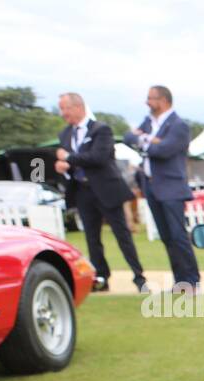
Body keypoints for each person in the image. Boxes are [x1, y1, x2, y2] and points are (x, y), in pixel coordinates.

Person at [55, 92, 147, 293]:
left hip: (106, 189)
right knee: (92, 238)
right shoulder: (64, 134)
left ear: (78, 107)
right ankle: (101, 278)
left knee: (122, 234)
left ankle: (139, 277)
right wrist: (64, 166)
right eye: (61, 109)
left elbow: (98, 158)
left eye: (66, 108)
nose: (63, 113)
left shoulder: (100, 129)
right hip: (83, 192)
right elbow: (74, 162)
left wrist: (69, 158)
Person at [123, 85, 199, 289]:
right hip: (151, 186)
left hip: (171, 186)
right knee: (166, 237)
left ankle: (191, 280)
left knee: (178, 235)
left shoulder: (178, 125)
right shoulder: (149, 122)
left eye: (151, 98)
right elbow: (128, 138)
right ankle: (179, 280)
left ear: (163, 100)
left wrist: (143, 139)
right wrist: (149, 139)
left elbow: (164, 150)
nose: (147, 102)